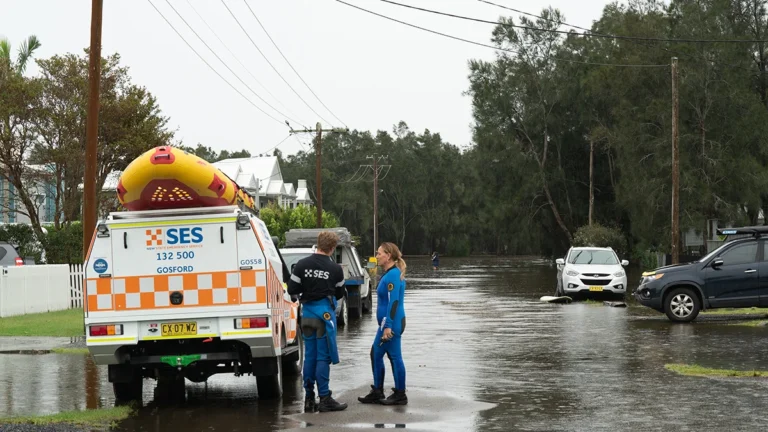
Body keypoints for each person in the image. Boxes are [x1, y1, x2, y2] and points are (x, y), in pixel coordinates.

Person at [287, 231, 348, 413]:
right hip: (324, 315)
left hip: (307, 315)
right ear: (332, 248)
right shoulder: (335, 269)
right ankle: (325, 398)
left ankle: (308, 398)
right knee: (323, 356)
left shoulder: (301, 265)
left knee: (310, 356)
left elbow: (292, 289)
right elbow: (339, 293)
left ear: (318, 244)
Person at [358, 242, 408, 405]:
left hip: (391, 324)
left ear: (388, 256)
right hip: (386, 324)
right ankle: (378, 391)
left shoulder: (393, 275)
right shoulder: (389, 274)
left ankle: (400, 394)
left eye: (379, 253)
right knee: (376, 354)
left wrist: (388, 326)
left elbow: (393, 302)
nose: (377, 256)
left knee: (394, 356)